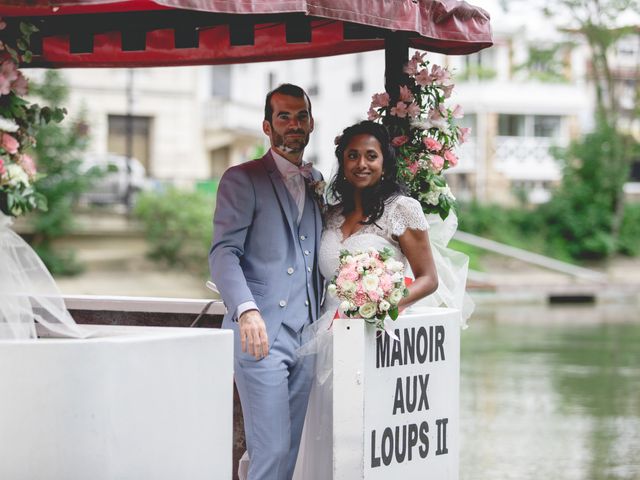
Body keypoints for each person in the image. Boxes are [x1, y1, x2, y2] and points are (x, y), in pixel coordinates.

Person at [293, 120, 439, 479]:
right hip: (323, 335)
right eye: (352, 155)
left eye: (371, 156)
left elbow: (429, 279)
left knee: (364, 432)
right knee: (323, 428)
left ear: (384, 162)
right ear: (342, 162)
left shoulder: (401, 209)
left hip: (373, 337)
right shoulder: (332, 213)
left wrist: (385, 300)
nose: (361, 163)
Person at [209, 84, 324, 480]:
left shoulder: (317, 182)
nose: (294, 124)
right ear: (266, 125)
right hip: (259, 336)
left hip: (307, 338)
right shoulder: (242, 179)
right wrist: (246, 311)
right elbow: (223, 253)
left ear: (312, 123)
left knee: (288, 451)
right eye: (284, 116)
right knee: (271, 450)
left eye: (301, 116)